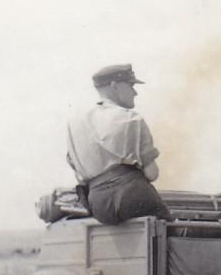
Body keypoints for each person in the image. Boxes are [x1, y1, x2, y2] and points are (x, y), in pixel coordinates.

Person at [66, 64, 173, 224]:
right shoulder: (132, 119)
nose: (135, 92)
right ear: (115, 86)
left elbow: (77, 172)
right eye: (131, 86)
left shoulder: (75, 123)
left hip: (98, 204)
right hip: (132, 196)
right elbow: (152, 174)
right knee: (174, 231)